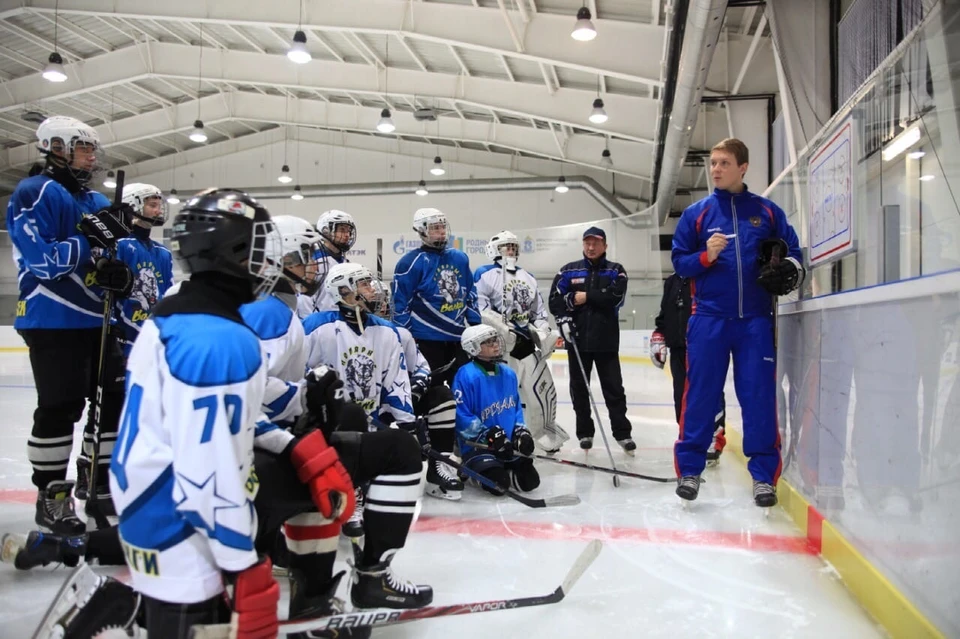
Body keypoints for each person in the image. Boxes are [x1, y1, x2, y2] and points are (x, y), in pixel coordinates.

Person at [7, 115, 134, 533]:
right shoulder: (35, 191)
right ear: (56, 148)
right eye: (83, 147)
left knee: (113, 404)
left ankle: (97, 486)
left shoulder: (95, 202)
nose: (91, 156)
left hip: (98, 320)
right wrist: (89, 242)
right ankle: (52, 497)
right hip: (53, 318)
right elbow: (43, 262)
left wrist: (119, 272)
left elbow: (105, 260)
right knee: (61, 407)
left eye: (93, 148)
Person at [671, 137, 804, 508]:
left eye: (723, 163)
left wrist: (789, 268)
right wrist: (707, 256)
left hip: (755, 322)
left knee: (759, 398)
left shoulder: (768, 212)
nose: (715, 169)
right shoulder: (696, 214)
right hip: (708, 319)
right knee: (699, 398)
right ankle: (690, 470)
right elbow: (680, 262)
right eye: (712, 163)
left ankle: (763, 477)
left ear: (742, 167)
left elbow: (794, 253)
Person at [302, 262, 418, 539]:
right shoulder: (317, 327)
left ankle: (360, 488)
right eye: (364, 283)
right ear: (344, 290)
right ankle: (347, 493)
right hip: (327, 425)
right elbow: (298, 372)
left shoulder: (386, 331)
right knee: (347, 419)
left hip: (372, 419)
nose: (372, 289)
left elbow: (397, 378)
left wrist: (406, 422)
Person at [475, 230, 569, 454]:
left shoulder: (528, 276)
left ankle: (545, 432)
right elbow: (480, 307)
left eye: (513, 246)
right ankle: (498, 436)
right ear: (494, 250)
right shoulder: (484, 273)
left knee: (543, 390)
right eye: (506, 246)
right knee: (500, 396)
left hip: (525, 343)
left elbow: (538, 311)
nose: (511, 250)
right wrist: (501, 328)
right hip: (498, 347)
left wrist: (543, 332)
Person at [548, 227, 635, 453]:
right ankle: (585, 433)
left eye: (596, 243)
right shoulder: (568, 271)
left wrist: (586, 296)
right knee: (579, 389)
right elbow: (555, 301)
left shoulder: (616, 271)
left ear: (605, 245)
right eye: (587, 242)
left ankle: (622, 433)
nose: (591, 247)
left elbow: (615, 297)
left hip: (606, 341)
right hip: (577, 340)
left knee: (614, 388)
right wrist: (565, 316)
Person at [373, 289, 463, 502]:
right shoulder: (344, 333)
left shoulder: (401, 334)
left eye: (384, 302)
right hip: (372, 407)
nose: (382, 307)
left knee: (442, 395)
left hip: (402, 403)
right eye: (378, 302)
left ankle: (439, 466)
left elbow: (421, 367)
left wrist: (412, 392)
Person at [392, 207, 481, 387]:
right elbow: (400, 304)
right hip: (427, 341)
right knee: (432, 392)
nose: (441, 232)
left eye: (442, 227)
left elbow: (470, 292)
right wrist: (407, 338)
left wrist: (475, 325)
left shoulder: (460, 257)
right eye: (434, 228)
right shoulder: (410, 263)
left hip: (458, 338)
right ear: (421, 230)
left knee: (465, 389)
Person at [452, 325, 540, 494]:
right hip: (478, 446)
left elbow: (515, 407)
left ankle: (498, 469)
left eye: (495, 340)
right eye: (488, 342)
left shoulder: (508, 373)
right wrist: (487, 435)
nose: (496, 345)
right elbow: (461, 414)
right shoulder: (466, 375)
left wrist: (520, 432)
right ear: (473, 347)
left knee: (530, 481)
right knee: (498, 485)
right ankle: (467, 470)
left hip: (505, 445)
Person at [651, 273, 726, 463]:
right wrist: (659, 333)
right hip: (678, 348)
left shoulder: (707, 275)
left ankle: (713, 438)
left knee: (709, 393)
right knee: (681, 396)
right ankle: (688, 437)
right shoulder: (672, 281)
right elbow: (665, 312)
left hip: (704, 344)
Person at [296, 209, 357, 319]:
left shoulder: (345, 262)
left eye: (348, 230)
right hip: (321, 326)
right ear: (326, 231)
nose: (347, 235)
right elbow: (305, 299)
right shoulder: (315, 261)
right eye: (342, 230)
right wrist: (310, 324)